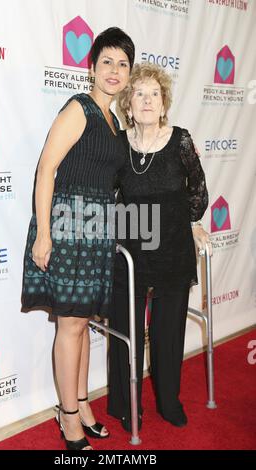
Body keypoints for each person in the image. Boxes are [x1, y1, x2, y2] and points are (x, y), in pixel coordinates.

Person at [21, 27, 135, 450]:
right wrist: (44, 234)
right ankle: (67, 416)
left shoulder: (112, 120)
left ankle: (83, 404)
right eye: (107, 61)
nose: (114, 70)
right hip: (67, 228)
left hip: (95, 230)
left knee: (82, 324)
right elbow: (46, 169)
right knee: (70, 326)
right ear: (91, 67)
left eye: (122, 64)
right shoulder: (79, 109)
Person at [108, 63, 211, 431]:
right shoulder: (119, 146)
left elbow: (198, 193)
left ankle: (169, 401)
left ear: (164, 104)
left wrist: (191, 223)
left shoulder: (180, 139)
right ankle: (126, 404)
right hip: (131, 251)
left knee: (168, 334)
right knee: (126, 330)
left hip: (171, 249)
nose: (147, 100)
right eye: (139, 93)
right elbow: (108, 197)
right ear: (128, 104)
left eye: (154, 94)